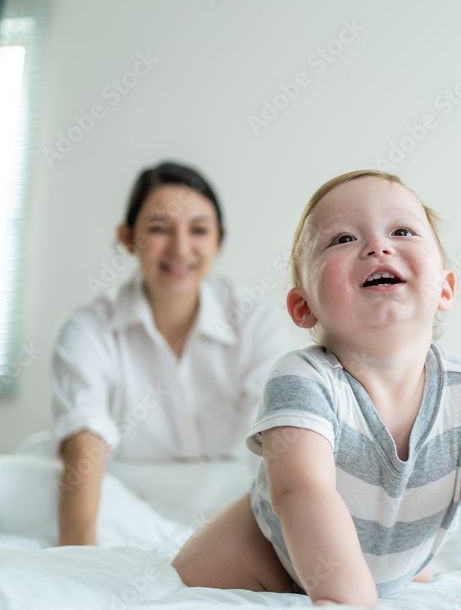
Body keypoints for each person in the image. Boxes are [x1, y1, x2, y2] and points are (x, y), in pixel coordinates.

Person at [171, 171, 461, 610]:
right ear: (303, 307)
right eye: (343, 239)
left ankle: (386, 568)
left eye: (402, 231)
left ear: (445, 288)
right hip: (273, 552)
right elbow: (302, 491)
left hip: (394, 556)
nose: (378, 247)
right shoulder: (303, 379)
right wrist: (347, 599)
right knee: (185, 578)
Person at [53, 161, 291, 546]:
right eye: (159, 228)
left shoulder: (256, 322)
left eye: (198, 230)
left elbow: (275, 439)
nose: (180, 248)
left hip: (227, 491)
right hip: (123, 492)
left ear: (218, 238)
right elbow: (85, 436)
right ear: (128, 237)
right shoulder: (88, 328)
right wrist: (80, 560)